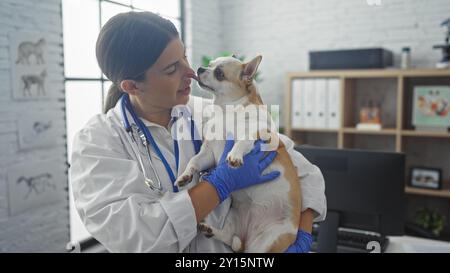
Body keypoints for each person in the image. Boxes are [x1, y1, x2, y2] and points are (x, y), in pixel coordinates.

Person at [69, 11, 326, 253]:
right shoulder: (97, 143)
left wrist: (301, 233)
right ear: (132, 86)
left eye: (185, 58)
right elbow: (135, 237)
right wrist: (218, 185)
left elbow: (306, 173)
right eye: (172, 69)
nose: (191, 73)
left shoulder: (218, 112)